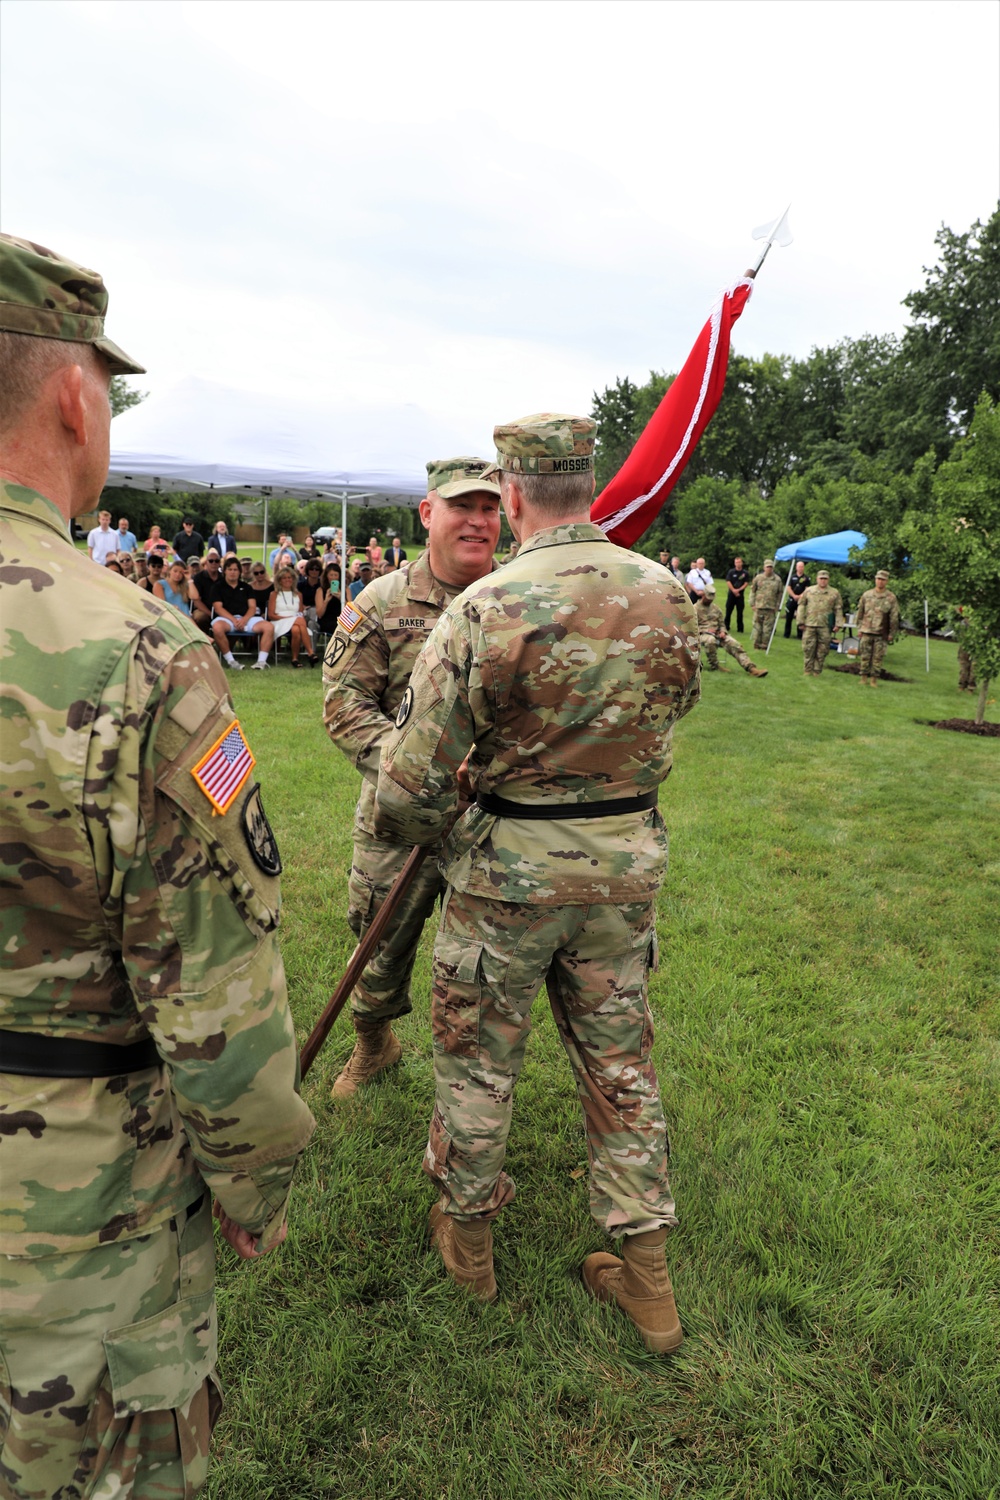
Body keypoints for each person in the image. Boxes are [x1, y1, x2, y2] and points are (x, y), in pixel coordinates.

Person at [0, 231, 314, 1500]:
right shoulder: (132, 655)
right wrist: (256, 1183)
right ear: (77, 397)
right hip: (78, 1221)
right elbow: (215, 991)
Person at [375, 413, 700, 1353]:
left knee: (480, 1062)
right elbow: (671, 714)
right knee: (621, 1063)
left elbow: (407, 789)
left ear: (513, 495)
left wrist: (453, 811)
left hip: (508, 876)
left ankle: (469, 1248)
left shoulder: (484, 606)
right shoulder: (671, 594)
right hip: (621, 873)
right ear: (586, 488)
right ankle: (648, 1286)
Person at [322, 456, 501, 1100]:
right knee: (377, 940)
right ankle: (374, 1043)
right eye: (463, 507)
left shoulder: (518, 599)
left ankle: (472, 1077)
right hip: (400, 815)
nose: (479, 522)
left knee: (486, 955)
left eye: (490, 508)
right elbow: (343, 704)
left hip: (493, 818)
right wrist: (412, 768)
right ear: (428, 513)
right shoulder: (383, 603)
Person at [211, 554, 275, 669]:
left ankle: (261, 662)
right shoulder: (217, 587)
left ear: (239, 572)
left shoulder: (247, 587)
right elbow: (218, 608)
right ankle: (231, 661)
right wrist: (235, 620)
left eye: (235, 569)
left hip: (248, 618)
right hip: (227, 619)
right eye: (230, 569)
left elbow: (252, 607)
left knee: (269, 627)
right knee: (217, 628)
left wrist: (244, 620)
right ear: (224, 571)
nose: (232, 572)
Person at [696, 587, 768, 676]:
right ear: (703, 595)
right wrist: (706, 630)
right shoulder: (694, 608)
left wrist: (723, 631)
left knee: (734, 644)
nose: (709, 600)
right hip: (703, 634)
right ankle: (715, 666)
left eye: (711, 599)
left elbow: (722, 624)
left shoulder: (716, 609)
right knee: (710, 640)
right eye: (708, 598)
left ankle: (751, 668)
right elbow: (689, 627)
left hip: (718, 633)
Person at [855, 570, 900, 686]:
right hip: (866, 631)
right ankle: (863, 678)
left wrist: (891, 633)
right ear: (875, 580)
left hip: (881, 632)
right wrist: (859, 628)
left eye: (883, 580)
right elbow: (860, 612)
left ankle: (874, 680)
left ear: (887, 581)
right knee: (865, 655)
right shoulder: (867, 595)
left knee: (877, 658)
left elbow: (894, 617)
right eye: (878, 579)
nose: (880, 582)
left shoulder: (891, 598)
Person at [796, 569, 845, 675]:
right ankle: (807, 670)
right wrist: (800, 621)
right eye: (821, 578)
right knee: (808, 647)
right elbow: (801, 605)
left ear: (828, 580)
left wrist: (838, 624)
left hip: (825, 626)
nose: (823, 581)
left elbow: (838, 608)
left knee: (823, 649)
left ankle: (817, 671)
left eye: (825, 579)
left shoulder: (834, 592)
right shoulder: (809, 591)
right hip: (810, 624)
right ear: (817, 579)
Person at [268, 564, 316, 666]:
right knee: (299, 620)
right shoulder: (274, 594)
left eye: (289, 577)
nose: (287, 580)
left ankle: (295, 659)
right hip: (279, 621)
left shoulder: (298, 594)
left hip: (296, 622)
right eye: (284, 578)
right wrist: (289, 618)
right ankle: (310, 652)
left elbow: (300, 613)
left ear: (293, 579)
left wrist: (294, 619)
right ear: (279, 580)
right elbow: (271, 615)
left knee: (296, 629)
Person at [748, 558, 783, 648]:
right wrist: (752, 603)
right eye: (767, 567)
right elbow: (753, 590)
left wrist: (777, 605)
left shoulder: (777, 580)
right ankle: (756, 643)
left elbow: (780, 594)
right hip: (759, 606)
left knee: (767, 629)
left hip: (770, 607)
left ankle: (764, 645)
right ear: (764, 568)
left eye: (771, 567)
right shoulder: (758, 578)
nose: (769, 569)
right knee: (757, 627)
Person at [190, 549, 223, 631]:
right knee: (200, 617)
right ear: (206, 563)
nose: (214, 563)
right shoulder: (198, 578)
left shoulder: (224, 578)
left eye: (216, 561)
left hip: (221, 610)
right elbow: (197, 601)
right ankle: (205, 640)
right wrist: (210, 614)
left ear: (219, 563)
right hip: (203, 610)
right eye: (211, 561)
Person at [783, 560, 810, 638]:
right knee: (789, 617)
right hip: (792, 599)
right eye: (799, 566)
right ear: (796, 567)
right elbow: (788, 587)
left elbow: (807, 589)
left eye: (802, 566)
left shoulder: (806, 578)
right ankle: (786, 634)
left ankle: (800, 635)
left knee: (800, 617)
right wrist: (794, 596)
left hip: (801, 600)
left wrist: (800, 596)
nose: (800, 568)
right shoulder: (792, 577)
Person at [724, 556, 750, 633]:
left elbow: (746, 583)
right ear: (734, 563)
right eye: (736, 562)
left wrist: (739, 590)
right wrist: (733, 590)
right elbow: (728, 581)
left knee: (740, 612)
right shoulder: (731, 572)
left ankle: (740, 628)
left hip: (740, 595)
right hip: (731, 594)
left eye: (739, 562)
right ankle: (726, 626)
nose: (738, 564)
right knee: (728, 611)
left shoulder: (745, 573)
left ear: (742, 563)